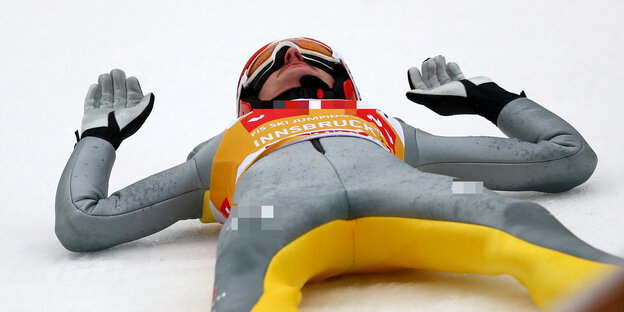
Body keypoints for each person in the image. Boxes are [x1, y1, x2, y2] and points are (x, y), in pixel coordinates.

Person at [55, 37, 623, 311]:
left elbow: (566, 155)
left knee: (517, 218)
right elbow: (85, 222)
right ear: (250, 96)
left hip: (408, 192)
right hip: (272, 216)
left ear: (342, 85)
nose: (290, 58)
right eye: (272, 61)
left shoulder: (383, 124)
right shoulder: (218, 148)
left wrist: (487, 98)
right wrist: (100, 138)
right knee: (248, 264)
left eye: (308, 55)